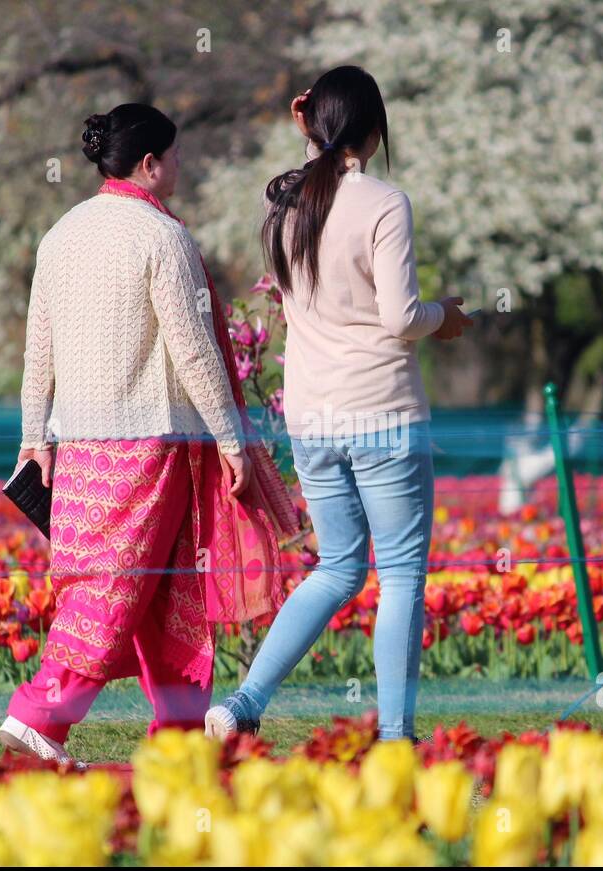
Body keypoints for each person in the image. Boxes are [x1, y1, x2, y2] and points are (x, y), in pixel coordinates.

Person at [0, 103, 298, 766]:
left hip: (78, 443)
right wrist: (230, 439)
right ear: (150, 163)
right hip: (150, 445)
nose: (182, 167)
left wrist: (33, 438)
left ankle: (180, 739)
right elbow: (193, 352)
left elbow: (36, 352)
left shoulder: (61, 235)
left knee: (162, 588)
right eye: (177, 156)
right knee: (115, 588)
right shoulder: (161, 238)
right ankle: (41, 715)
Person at [204, 65, 472, 742]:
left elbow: (319, 174)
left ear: (313, 126)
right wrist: (446, 316)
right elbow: (400, 315)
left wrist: (309, 131)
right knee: (402, 574)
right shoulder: (384, 202)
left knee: (338, 569)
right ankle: (394, 736)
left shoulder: (284, 204)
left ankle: (240, 707)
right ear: (375, 130)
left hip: (313, 416)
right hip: (381, 410)